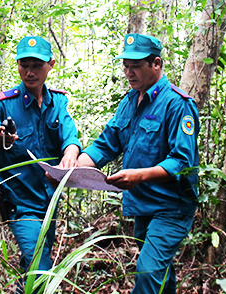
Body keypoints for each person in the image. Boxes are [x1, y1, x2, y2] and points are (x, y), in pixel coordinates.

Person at [77, 33, 199, 294]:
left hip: (171, 207)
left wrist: (139, 176)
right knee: (160, 275)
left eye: (135, 66)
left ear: (156, 64)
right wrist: (75, 167)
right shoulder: (130, 101)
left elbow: (182, 162)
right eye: (125, 66)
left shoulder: (178, 105)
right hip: (143, 205)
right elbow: (107, 142)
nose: (128, 72)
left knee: (147, 272)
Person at [0, 36, 80, 279]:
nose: (30, 72)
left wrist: (71, 153)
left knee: (32, 269)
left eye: (36, 65)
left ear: (50, 64)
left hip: (50, 202)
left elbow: (70, 136)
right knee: (40, 269)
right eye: (24, 65)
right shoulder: (2, 104)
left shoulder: (58, 101)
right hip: (20, 204)